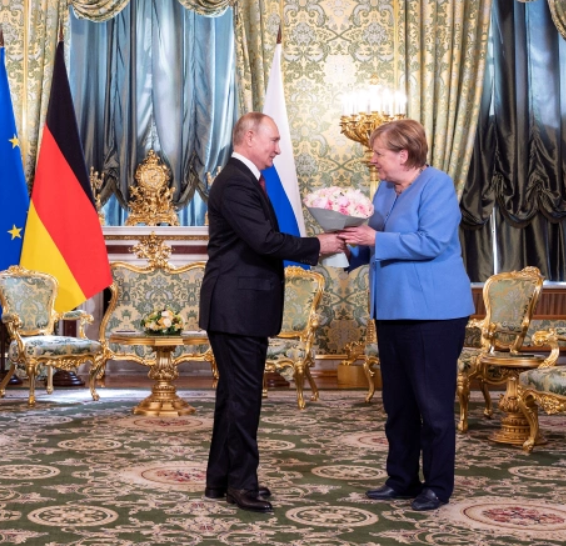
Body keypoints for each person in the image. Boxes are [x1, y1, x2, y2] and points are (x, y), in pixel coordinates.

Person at [199, 112, 344, 513]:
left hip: (239, 308)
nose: (278, 149)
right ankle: (241, 484)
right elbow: (264, 241)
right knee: (244, 399)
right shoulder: (235, 182)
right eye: (273, 140)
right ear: (249, 137)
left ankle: (220, 481)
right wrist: (318, 245)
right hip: (236, 309)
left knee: (233, 397)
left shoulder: (243, 179)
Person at [339, 119, 474, 511]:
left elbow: (432, 242)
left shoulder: (437, 185)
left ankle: (437, 486)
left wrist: (375, 239)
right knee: (398, 405)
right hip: (392, 309)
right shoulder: (384, 189)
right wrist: (345, 246)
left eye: (378, 153)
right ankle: (401, 479)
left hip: (434, 313)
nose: (373, 160)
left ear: (403, 154)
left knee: (433, 407)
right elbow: (373, 241)